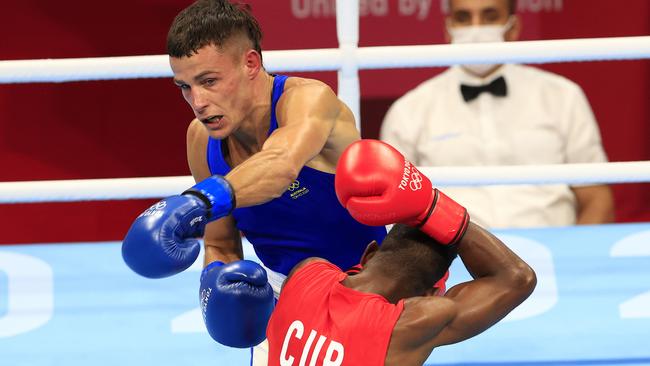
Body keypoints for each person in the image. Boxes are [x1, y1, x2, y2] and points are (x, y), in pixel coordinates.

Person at [120, 0, 386, 364]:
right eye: (184, 86)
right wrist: (216, 279)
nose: (197, 101)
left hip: (369, 288)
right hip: (284, 295)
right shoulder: (201, 139)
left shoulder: (308, 101)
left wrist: (199, 201)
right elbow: (221, 240)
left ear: (250, 63)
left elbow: (279, 165)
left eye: (209, 81)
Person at [263, 139, 537, 365]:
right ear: (430, 294)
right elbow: (517, 279)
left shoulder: (307, 273)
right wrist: (430, 206)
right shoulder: (411, 324)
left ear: (369, 254)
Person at [380, 0, 615, 229]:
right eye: (464, 18)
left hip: (554, 257)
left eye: (490, 16)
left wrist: (572, 259)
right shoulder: (408, 111)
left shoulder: (563, 96)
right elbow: (395, 213)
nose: (476, 28)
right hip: (452, 261)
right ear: (448, 28)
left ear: (513, 28)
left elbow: (597, 198)